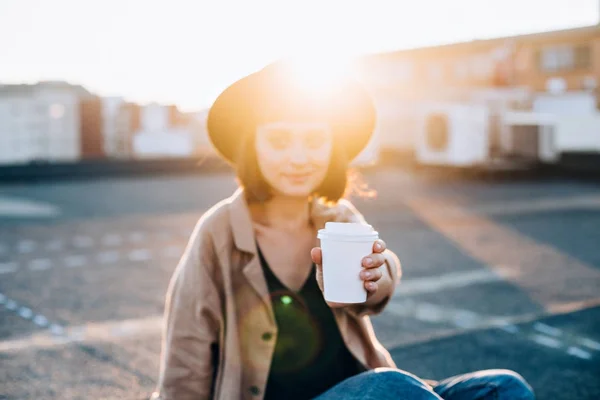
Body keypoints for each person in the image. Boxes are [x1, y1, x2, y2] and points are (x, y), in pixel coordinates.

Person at [151, 61, 535, 400]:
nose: (299, 158)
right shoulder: (218, 232)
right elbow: (187, 350)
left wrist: (379, 275)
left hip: (363, 389)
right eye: (280, 140)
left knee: (504, 388)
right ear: (254, 148)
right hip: (373, 392)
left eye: (315, 140)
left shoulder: (337, 218)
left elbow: (379, 284)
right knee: (392, 388)